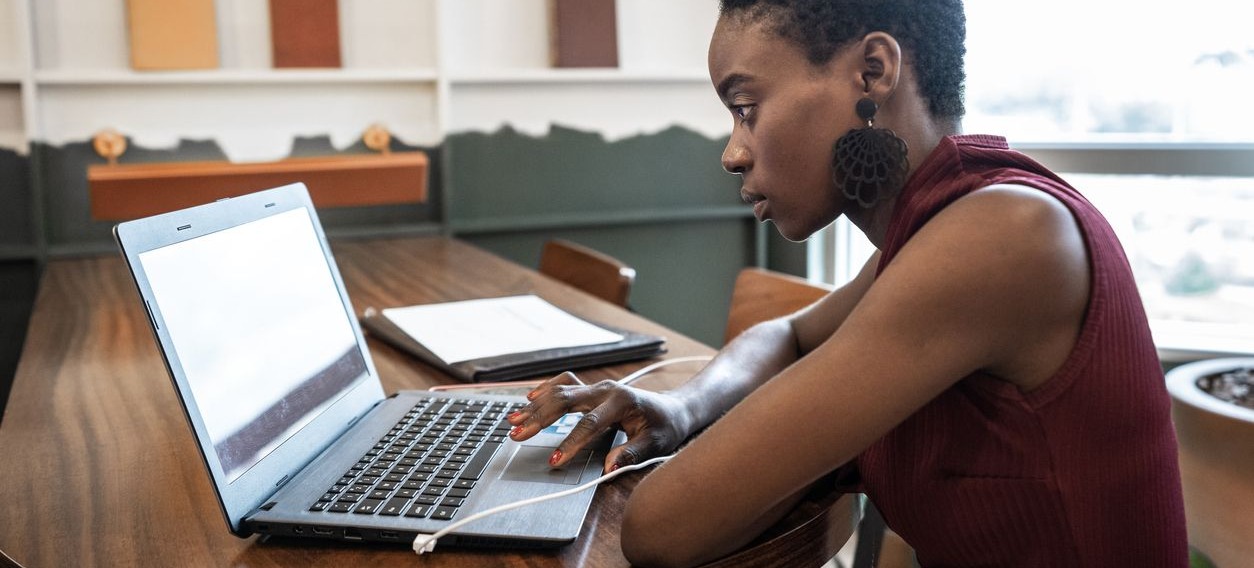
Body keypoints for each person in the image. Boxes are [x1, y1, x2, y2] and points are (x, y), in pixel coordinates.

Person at [506, 0, 1189, 566]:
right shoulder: (939, 226)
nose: (733, 152)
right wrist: (682, 409)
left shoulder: (1002, 237)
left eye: (746, 107)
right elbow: (787, 333)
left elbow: (660, 529)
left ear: (873, 71)